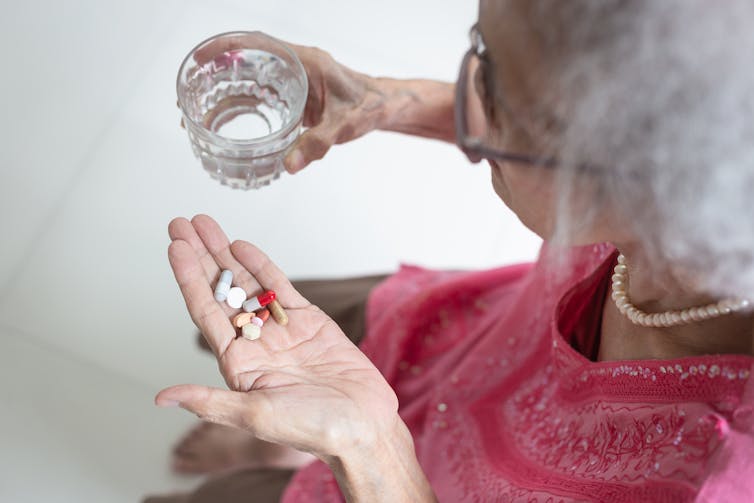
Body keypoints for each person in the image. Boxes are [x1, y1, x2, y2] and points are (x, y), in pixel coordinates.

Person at [145, 0, 754, 501]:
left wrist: (368, 450)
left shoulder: (714, 477)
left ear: (635, 182)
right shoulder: (699, 210)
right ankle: (277, 445)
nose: (467, 110)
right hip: (469, 335)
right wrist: (390, 101)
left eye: (489, 85)